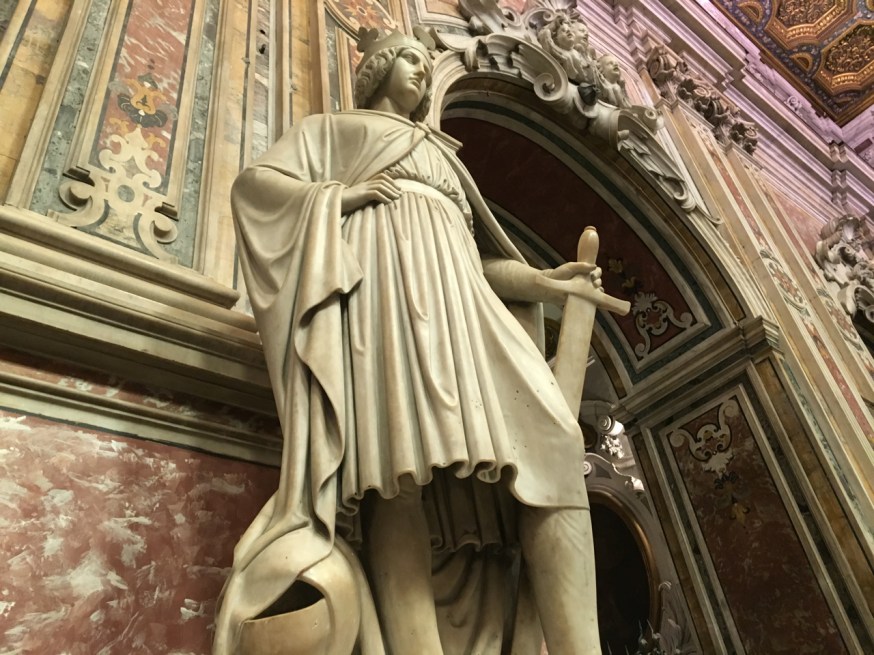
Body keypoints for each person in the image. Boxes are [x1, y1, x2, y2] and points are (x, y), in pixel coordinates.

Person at [214, 27, 604, 655]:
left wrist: (541, 280)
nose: (422, 71)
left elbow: (477, 261)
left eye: (427, 62)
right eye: (410, 59)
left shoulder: (447, 156)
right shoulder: (334, 131)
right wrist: (338, 198)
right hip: (386, 299)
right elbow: (256, 190)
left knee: (556, 446)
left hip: (464, 305)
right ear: (376, 69)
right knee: (396, 474)